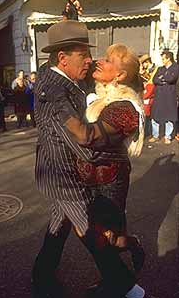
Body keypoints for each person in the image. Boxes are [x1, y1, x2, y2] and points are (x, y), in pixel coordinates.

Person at [33, 20, 144, 298]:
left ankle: (42, 277)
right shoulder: (59, 88)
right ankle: (130, 289)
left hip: (91, 175)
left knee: (71, 229)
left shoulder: (119, 104)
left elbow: (89, 135)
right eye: (85, 54)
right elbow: (82, 143)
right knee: (92, 232)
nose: (92, 60)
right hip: (64, 175)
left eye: (99, 57)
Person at [149, 50, 179, 144]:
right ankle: (155, 135)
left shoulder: (176, 68)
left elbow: (171, 78)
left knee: (169, 116)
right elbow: (155, 79)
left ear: (168, 58)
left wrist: (162, 78)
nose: (162, 60)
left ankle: (167, 136)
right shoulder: (160, 69)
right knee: (155, 115)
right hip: (159, 95)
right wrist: (162, 79)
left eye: (163, 58)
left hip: (169, 95)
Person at [139, 54, 157, 137]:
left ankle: (151, 132)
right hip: (147, 92)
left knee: (151, 115)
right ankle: (148, 131)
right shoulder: (146, 71)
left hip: (153, 94)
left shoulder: (155, 69)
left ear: (147, 62)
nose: (143, 66)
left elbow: (151, 82)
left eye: (143, 63)